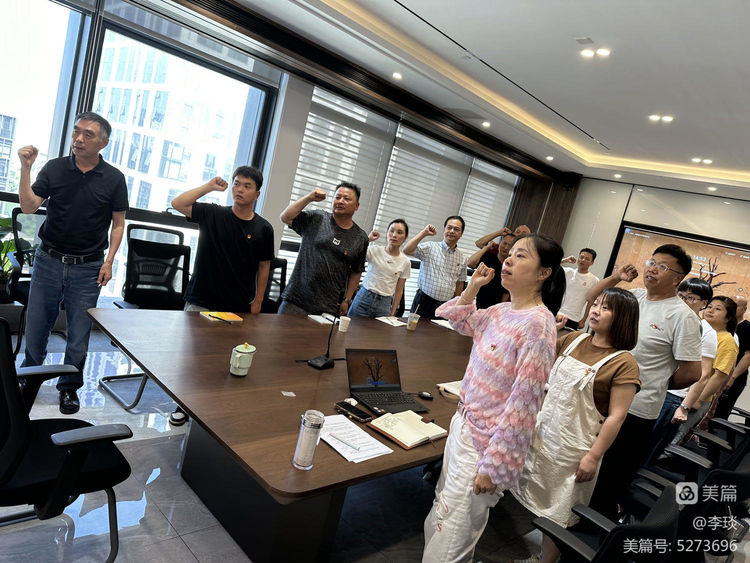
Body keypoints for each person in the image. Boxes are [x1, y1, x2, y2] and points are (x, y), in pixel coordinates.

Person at [422, 234, 565, 562]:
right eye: (510, 254)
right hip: (463, 426)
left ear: (544, 273)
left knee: (453, 531)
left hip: (485, 445)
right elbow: (459, 321)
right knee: (442, 511)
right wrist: (472, 287)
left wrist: (495, 466)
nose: (508, 260)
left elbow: (525, 405)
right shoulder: (502, 311)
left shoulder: (538, 326)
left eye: (521, 255)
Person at [512, 288, 640, 563]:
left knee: (559, 511)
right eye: (596, 304)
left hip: (573, 449)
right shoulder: (573, 339)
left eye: (606, 308)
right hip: (542, 433)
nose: (595, 310)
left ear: (623, 318)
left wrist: (593, 456)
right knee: (527, 493)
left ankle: (546, 560)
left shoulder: (623, 363)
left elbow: (616, 417)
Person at [17, 112, 128, 414]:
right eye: (76, 132)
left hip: (88, 267)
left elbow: (118, 224)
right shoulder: (55, 168)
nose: (78, 139)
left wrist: (109, 261)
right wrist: (26, 168)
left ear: (103, 142)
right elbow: (28, 206)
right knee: (37, 326)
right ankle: (29, 377)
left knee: (79, 333)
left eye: (87, 134)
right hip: (49, 260)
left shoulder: (114, 179)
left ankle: (69, 387)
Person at [584, 244, 701, 520]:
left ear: (677, 278)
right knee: (586, 471)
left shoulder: (682, 316)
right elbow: (591, 298)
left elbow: (692, 372)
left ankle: (592, 535)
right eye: (652, 262)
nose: (652, 269)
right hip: (600, 401)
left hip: (637, 410)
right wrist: (616, 278)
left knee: (609, 481)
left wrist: (654, 383)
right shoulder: (634, 298)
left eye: (662, 266)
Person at [171, 167, 274, 314]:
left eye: (247, 186)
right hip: (201, 301)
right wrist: (209, 187)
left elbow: (264, 265)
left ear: (257, 194)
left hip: (238, 305)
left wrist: (258, 301)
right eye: (236, 184)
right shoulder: (213, 213)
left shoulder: (264, 229)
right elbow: (178, 203)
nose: (240, 189)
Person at [643, 277, 713, 466]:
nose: (684, 301)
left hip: (675, 397)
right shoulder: (670, 318)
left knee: (650, 447)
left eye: (691, 298)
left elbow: (703, 374)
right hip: (653, 390)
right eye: (681, 295)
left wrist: (684, 407)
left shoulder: (706, 332)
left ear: (703, 303)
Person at [278, 183, 368, 315]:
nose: (340, 201)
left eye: (346, 199)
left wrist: (347, 299)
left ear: (356, 206)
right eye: (337, 197)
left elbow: (356, 271)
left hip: (328, 306)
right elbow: (285, 217)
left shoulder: (360, 237)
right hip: (296, 301)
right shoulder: (317, 218)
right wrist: (309, 198)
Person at [670, 296, 738, 444]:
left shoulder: (727, 340)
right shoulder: (699, 328)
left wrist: (699, 399)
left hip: (697, 396)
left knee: (674, 437)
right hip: (679, 389)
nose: (710, 310)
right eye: (710, 306)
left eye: (718, 309)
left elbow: (719, 376)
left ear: (728, 318)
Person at [402, 216, 469, 319]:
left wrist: (456, 307)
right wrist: (424, 233)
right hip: (423, 301)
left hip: (445, 306)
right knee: (414, 328)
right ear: (444, 229)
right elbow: (407, 250)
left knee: (438, 330)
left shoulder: (462, 258)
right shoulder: (430, 247)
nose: (452, 231)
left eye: (456, 229)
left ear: (461, 233)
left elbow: (459, 284)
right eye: (449, 227)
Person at [348, 219, 411, 318]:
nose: (394, 235)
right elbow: (352, 251)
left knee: (379, 329)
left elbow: (399, 290)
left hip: (384, 304)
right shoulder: (374, 250)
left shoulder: (405, 262)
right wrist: (368, 239)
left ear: (405, 237)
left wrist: (392, 313)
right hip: (364, 298)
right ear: (387, 233)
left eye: (399, 233)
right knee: (352, 326)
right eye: (391, 231)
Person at [471, 224, 530, 309]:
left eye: (523, 234)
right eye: (517, 232)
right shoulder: (499, 249)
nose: (519, 234)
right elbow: (479, 244)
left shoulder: (523, 258)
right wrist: (499, 233)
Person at [715, 295, 750, 420]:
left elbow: (748, 356)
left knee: (720, 413)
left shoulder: (747, 328)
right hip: (717, 372)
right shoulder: (722, 326)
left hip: (734, 377)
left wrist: (732, 377)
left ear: (744, 309)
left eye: (737, 305)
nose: (733, 307)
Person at [558, 248, 600, 330]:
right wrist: (565, 260)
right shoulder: (568, 272)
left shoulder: (594, 280)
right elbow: (550, 265)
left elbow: (591, 302)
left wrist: (584, 319)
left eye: (587, 259)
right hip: (558, 313)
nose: (583, 260)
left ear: (592, 262)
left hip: (574, 319)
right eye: (581, 257)